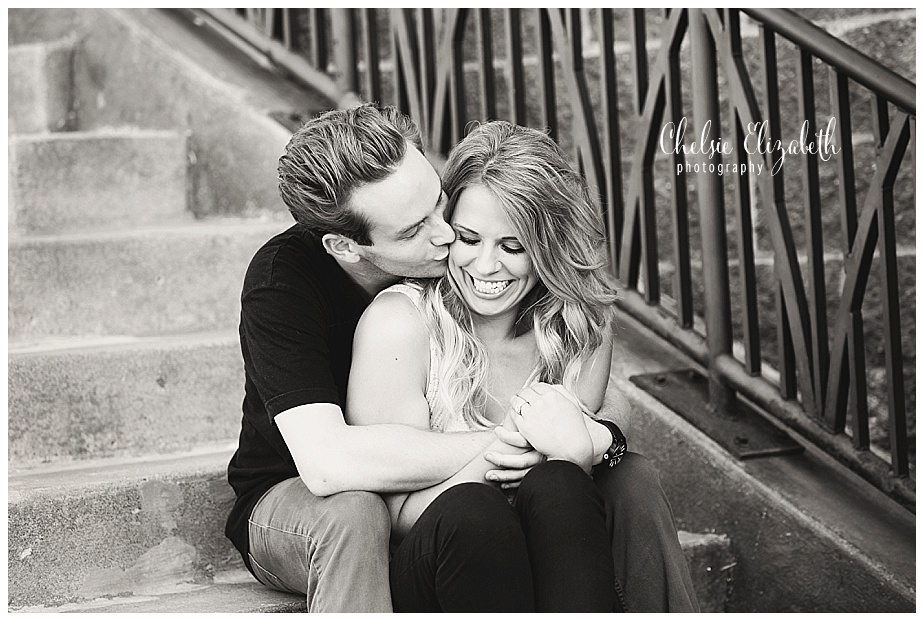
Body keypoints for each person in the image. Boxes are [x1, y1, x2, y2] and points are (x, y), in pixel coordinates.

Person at [224, 102, 698, 613]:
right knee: (358, 515)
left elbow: (600, 402)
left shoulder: (531, 295)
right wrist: (519, 439)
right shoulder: (290, 285)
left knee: (626, 477)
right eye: (414, 230)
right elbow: (327, 463)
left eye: (439, 202)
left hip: (450, 488)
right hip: (306, 494)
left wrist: (595, 436)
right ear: (345, 247)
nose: (446, 235)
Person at [345, 120, 628, 611]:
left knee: (561, 482)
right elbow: (398, 516)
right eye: (468, 238)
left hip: (547, 554)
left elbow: (581, 461)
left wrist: (590, 444)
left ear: (549, 248)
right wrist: (505, 450)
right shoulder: (399, 323)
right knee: (475, 510)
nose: (485, 266)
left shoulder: (580, 323)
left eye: (513, 246)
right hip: (438, 560)